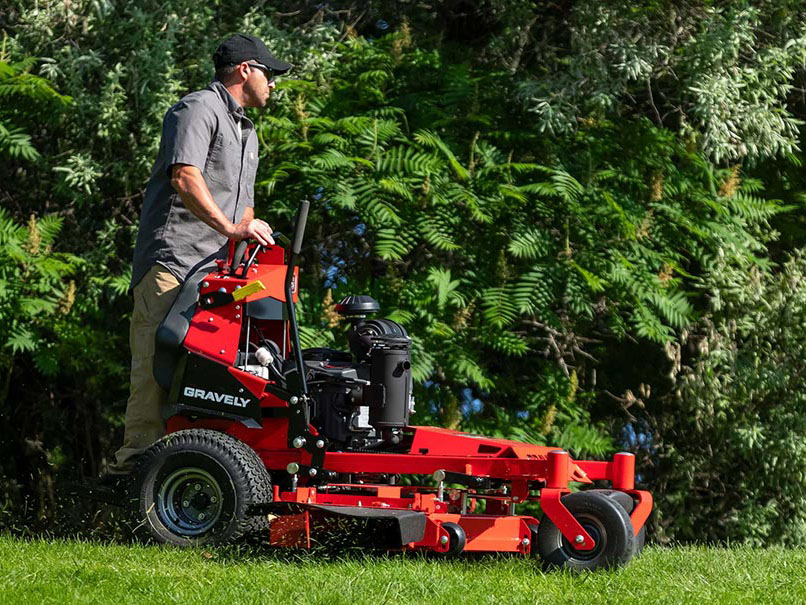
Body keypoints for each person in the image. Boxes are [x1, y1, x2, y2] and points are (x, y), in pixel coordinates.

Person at [105, 34, 291, 479]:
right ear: (245, 70)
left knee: (214, 374)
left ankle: (189, 469)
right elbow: (185, 177)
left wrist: (245, 239)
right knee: (155, 366)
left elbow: (242, 206)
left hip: (218, 273)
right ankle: (134, 470)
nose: (273, 84)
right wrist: (231, 229)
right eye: (269, 73)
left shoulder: (248, 133)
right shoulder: (196, 109)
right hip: (173, 263)